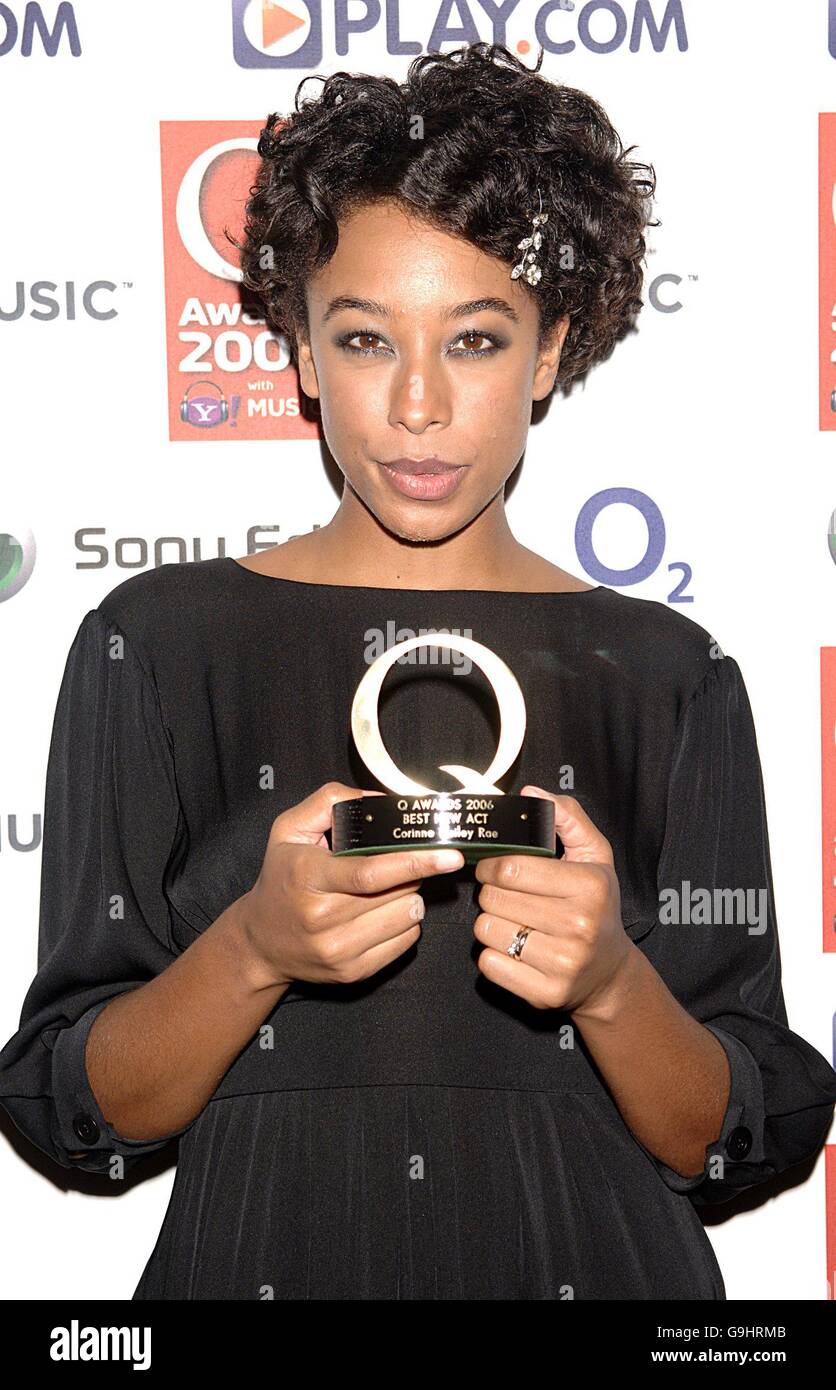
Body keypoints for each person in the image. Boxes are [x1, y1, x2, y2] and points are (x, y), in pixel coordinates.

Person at [1, 42, 835, 1301]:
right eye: (364, 337)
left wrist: (609, 980)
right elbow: (80, 1113)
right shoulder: (153, 643)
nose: (418, 407)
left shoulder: (669, 672)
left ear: (551, 352)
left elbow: (729, 1133)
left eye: (478, 340)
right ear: (296, 352)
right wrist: (252, 948)